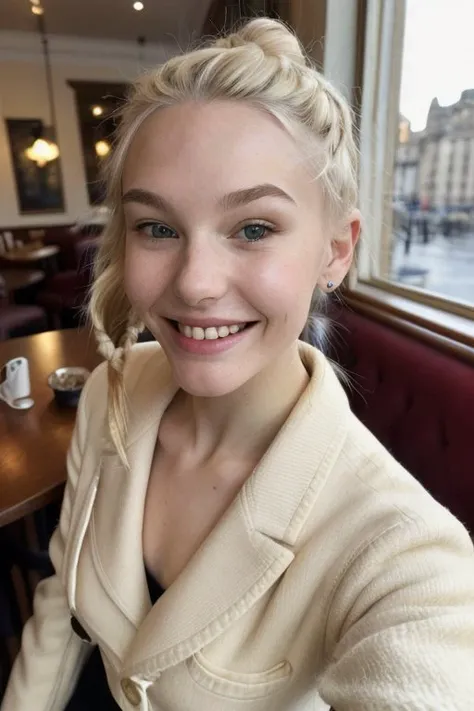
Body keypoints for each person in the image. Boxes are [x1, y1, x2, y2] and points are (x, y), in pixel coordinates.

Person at [3, 17, 474, 711]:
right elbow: (60, 608)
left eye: (254, 228)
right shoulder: (112, 390)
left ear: (336, 251)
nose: (195, 282)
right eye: (157, 227)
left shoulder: (403, 553)